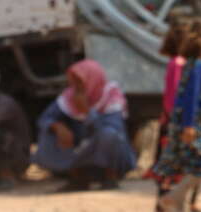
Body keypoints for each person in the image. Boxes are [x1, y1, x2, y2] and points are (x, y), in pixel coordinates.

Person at [34, 59, 137, 192]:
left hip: (107, 154)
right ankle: (78, 178)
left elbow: (112, 129)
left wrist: (87, 112)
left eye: (80, 82)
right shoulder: (69, 96)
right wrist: (58, 127)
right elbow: (45, 118)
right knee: (48, 133)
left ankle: (110, 177)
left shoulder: (111, 95)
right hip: (80, 151)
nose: (76, 86)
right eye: (74, 82)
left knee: (109, 134)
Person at [153, 17, 201, 212]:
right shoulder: (200, 66)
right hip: (190, 126)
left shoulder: (190, 64)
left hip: (181, 123)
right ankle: (172, 197)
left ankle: (177, 203)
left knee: (186, 167)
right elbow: (190, 97)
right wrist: (189, 125)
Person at [146, 19, 201, 212]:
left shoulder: (176, 63)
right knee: (177, 167)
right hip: (175, 125)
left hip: (171, 123)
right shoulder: (179, 64)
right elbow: (174, 97)